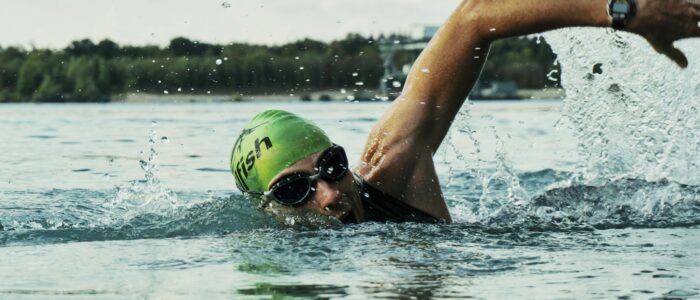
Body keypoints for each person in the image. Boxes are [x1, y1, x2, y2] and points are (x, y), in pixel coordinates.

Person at [231, 0, 699, 224]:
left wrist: (624, 11)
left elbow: (472, 19)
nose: (331, 195)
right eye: (295, 190)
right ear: (269, 210)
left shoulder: (391, 166)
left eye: (332, 166)